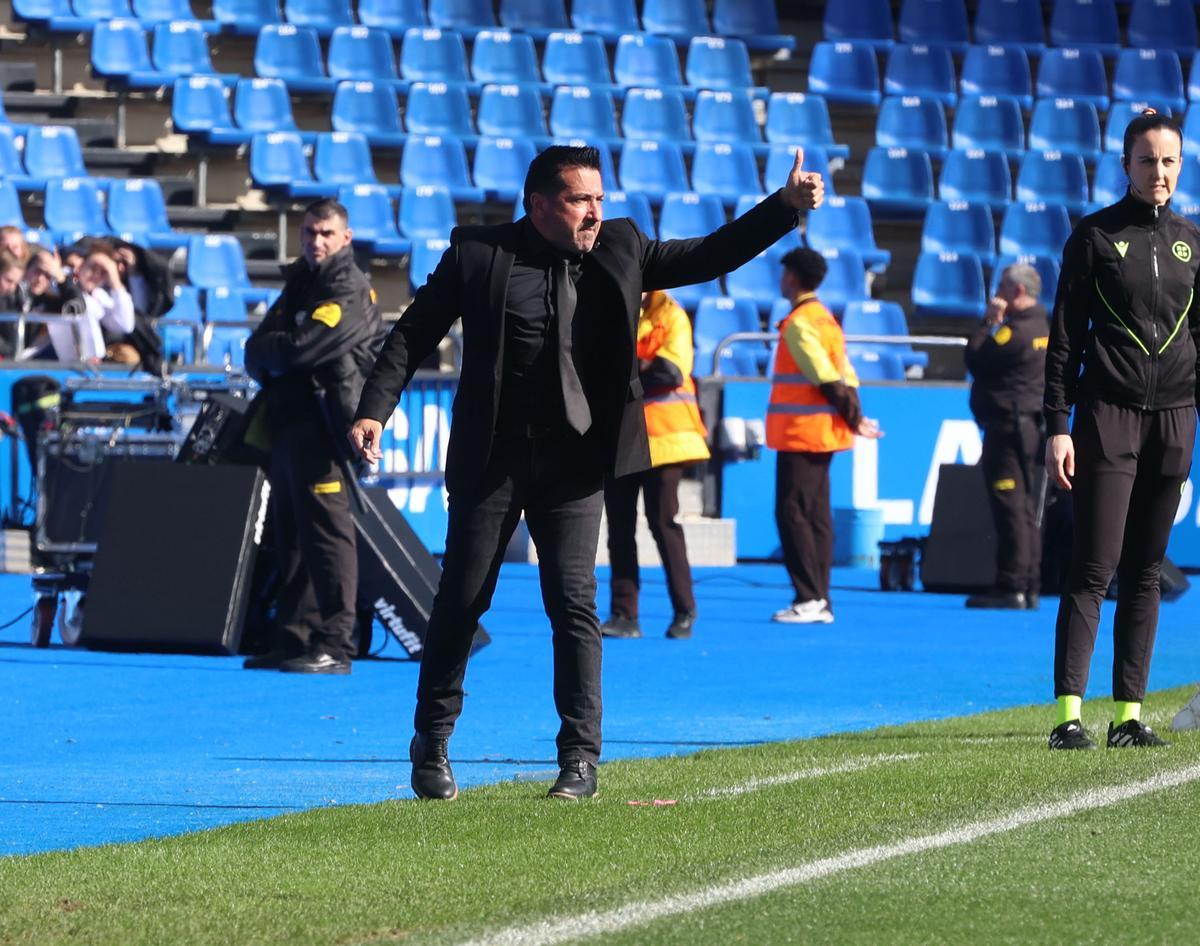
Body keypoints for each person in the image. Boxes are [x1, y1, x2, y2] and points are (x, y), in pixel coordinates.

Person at [349, 145, 824, 801]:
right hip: (494, 459)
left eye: (599, 198)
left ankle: (579, 759)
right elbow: (413, 333)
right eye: (580, 200)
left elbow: (709, 255)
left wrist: (783, 208)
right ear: (539, 204)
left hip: (576, 459)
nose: (595, 211)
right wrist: (375, 408)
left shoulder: (622, 245)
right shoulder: (477, 254)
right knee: (461, 599)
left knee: (574, 605)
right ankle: (431, 741)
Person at [1044, 110, 1200, 751]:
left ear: (1179, 165)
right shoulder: (1094, 236)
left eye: (1168, 161)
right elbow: (1063, 342)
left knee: (1145, 570)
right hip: (1106, 418)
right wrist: (1059, 426)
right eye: (1146, 160)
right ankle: (1066, 717)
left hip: (1174, 422)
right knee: (1094, 566)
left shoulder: (1194, 242)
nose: (1157, 172)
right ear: (1126, 165)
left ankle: (1130, 716)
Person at [244, 198, 382, 675]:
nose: (315, 241)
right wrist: (275, 350)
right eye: (308, 232)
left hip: (325, 426)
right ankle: (294, 636)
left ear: (345, 238)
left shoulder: (347, 286)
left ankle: (337, 644)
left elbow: (299, 351)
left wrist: (277, 350)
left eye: (325, 233)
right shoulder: (302, 280)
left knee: (327, 535)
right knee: (292, 536)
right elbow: (255, 347)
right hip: (290, 423)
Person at [767, 247, 882, 625]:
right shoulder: (826, 319)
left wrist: (854, 418)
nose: (781, 280)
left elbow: (827, 378)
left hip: (802, 435)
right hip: (822, 434)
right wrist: (855, 418)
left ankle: (809, 597)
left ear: (793, 278)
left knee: (793, 513)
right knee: (815, 516)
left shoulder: (800, 323)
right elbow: (847, 375)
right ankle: (820, 597)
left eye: (785, 274)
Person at [601, 289, 710, 642]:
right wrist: (639, 366)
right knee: (619, 527)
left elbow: (671, 371)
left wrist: (624, 371)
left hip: (667, 438)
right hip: (622, 437)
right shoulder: (613, 310)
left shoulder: (672, 315)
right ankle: (624, 614)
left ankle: (684, 611)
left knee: (663, 524)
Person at [963, 262, 1050, 610]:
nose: (996, 292)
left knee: (1010, 505)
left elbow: (976, 357)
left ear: (1017, 291)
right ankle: (1028, 583)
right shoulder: (1044, 326)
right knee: (1025, 507)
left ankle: (1012, 584)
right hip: (1030, 425)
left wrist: (988, 322)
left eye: (1001, 286)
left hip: (1008, 427)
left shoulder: (1013, 332)